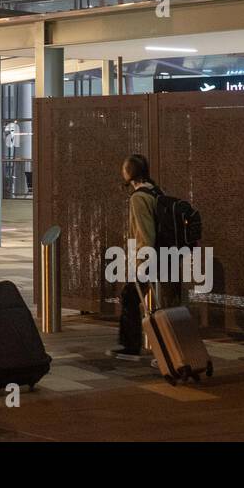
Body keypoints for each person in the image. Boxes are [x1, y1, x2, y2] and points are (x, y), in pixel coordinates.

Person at [108, 153, 160, 361]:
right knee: (152, 302)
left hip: (149, 258)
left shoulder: (138, 198)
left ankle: (131, 346)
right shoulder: (155, 192)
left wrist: (141, 264)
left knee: (129, 296)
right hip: (165, 256)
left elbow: (145, 233)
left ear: (129, 173)